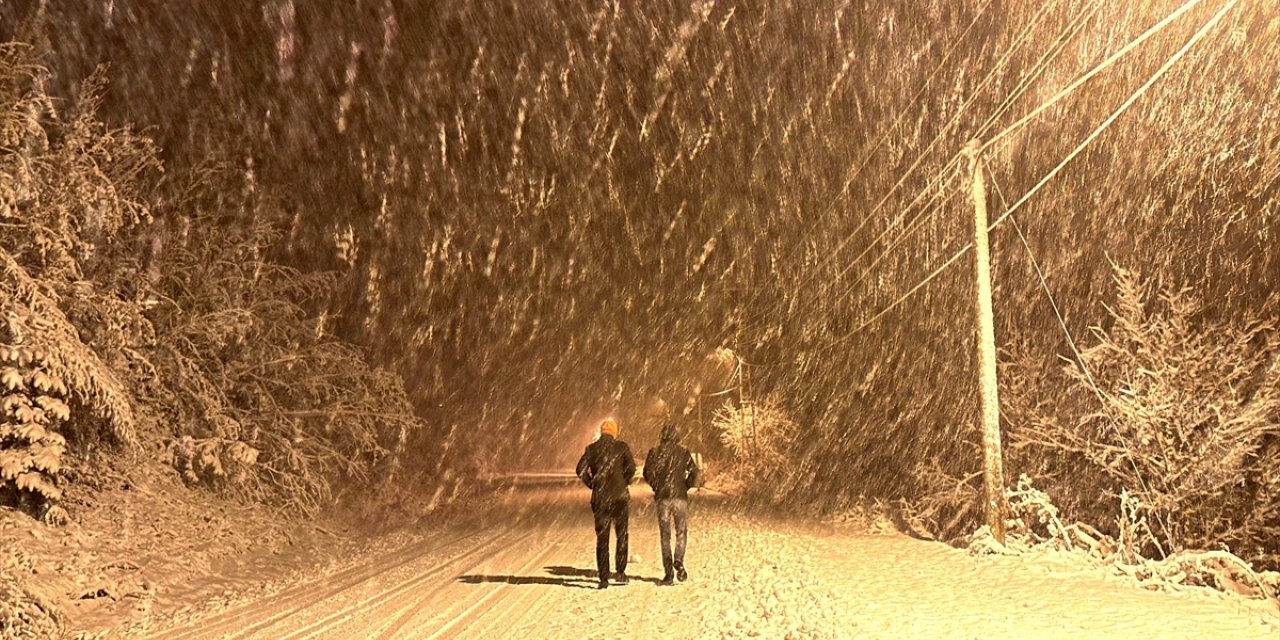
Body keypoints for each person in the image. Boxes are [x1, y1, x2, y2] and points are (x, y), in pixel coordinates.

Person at [576, 417, 637, 589]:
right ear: (614, 433)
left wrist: (592, 484)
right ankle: (620, 572)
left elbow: (580, 470)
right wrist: (624, 482)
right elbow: (632, 468)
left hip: (601, 499)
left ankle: (603, 578)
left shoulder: (592, 449)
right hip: (619, 499)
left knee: (602, 539)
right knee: (622, 535)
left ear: (602, 433)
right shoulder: (622, 447)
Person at [643, 423, 701, 585]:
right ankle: (679, 560)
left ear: (662, 436)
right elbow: (696, 472)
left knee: (665, 536)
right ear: (676, 436)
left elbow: (646, 472)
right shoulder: (683, 452)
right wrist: (686, 485)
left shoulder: (654, 452)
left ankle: (668, 573)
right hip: (680, 498)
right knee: (681, 532)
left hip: (663, 498)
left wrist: (656, 485)